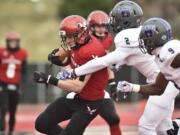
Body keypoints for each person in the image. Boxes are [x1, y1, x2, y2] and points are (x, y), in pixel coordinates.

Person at [58, 1, 179, 135]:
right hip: (162, 84)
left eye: (115, 19)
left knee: (146, 127)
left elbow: (103, 62)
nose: (112, 23)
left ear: (124, 21)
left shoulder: (127, 38)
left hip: (164, 85)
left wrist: (74, 71)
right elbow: (116, 62)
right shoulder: (139, 36)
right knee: (164, 130)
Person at [33, 15, 115, 135]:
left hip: (90, 103)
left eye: (70, 37)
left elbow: (77, 85)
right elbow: (73, 70)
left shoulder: (90, 52)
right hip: (77, 97)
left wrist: (49, 79)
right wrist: (64, 61)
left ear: (81, 34)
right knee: (42, 124)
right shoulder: (80, 43)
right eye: (66, 37)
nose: (67, 41)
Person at [0, 31, 28, 135]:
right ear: (7, 42)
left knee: (12, 111)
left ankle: (11, 131)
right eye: (11, 41)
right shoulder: (1, 52)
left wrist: (22, 84)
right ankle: (2, 130)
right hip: (3, 85)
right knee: (3, 109)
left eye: (14, 41)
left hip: (15, 85)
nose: (13, 43)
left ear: (18, 42)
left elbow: (24, 71)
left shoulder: (22, 53)